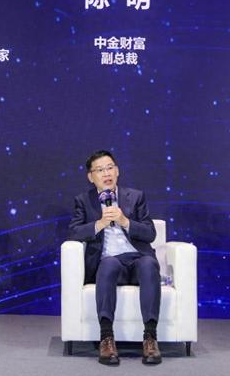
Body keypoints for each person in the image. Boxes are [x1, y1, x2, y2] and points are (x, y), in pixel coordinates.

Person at [68, 150, 162, 365]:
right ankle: (107, 338)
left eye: (110, 167)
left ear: (117, 171)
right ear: (91, 177)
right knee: (108, 264)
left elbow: (150, 233)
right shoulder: (84, 201)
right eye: (100, 170)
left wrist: (125, 221)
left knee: (149, 264)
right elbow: (73, 232)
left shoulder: (135, 197)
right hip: (109, 260)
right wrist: (100, 223)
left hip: (137, 258)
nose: (106, 173)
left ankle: (150, 337)